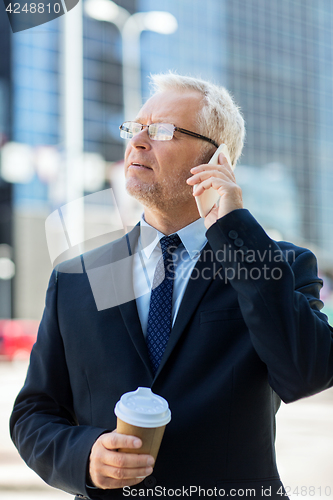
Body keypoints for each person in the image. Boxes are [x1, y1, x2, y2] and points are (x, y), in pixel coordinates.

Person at [10, 73, 333, 500]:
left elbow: (305, 372)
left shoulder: (278, 264)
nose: (138, 142)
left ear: (217, 160)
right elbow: (34, 413)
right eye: (135, 128)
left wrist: (235, 229)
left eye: (161, 131)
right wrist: (85, 456)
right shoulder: (77, 279)